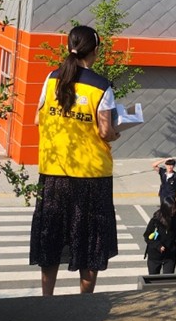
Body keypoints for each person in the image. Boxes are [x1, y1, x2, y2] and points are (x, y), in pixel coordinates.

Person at [30, 25, 120, 296]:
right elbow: (105, 131)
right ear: (95, 51)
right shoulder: (101, 86)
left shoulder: (51, 79)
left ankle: (47, 300)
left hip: (53, 172)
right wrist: (115, 133)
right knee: (90, 241)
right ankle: (84, 303)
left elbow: (37, 119)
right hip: (92, 176)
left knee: (51, 238)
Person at [143, 197, 176, 275]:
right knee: (153, 279)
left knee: (168, 278)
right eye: (171, 209)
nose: (173, 211)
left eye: (175, 209)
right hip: (155, 256)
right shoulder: (156, 220)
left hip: (170, 255)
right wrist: (158, 246)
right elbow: (147, 236)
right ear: (165, 210)